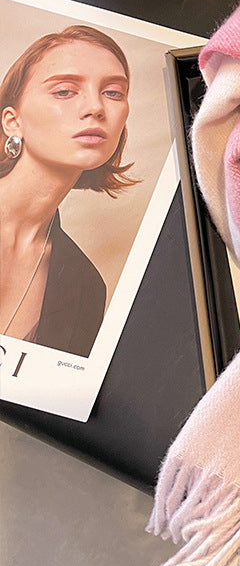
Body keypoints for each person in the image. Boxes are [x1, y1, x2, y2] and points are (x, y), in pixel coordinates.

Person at [0, 25, 137, 357]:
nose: (95, 108)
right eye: (64, 91)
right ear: (12, 121)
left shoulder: (87, 288)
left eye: (113, 93)